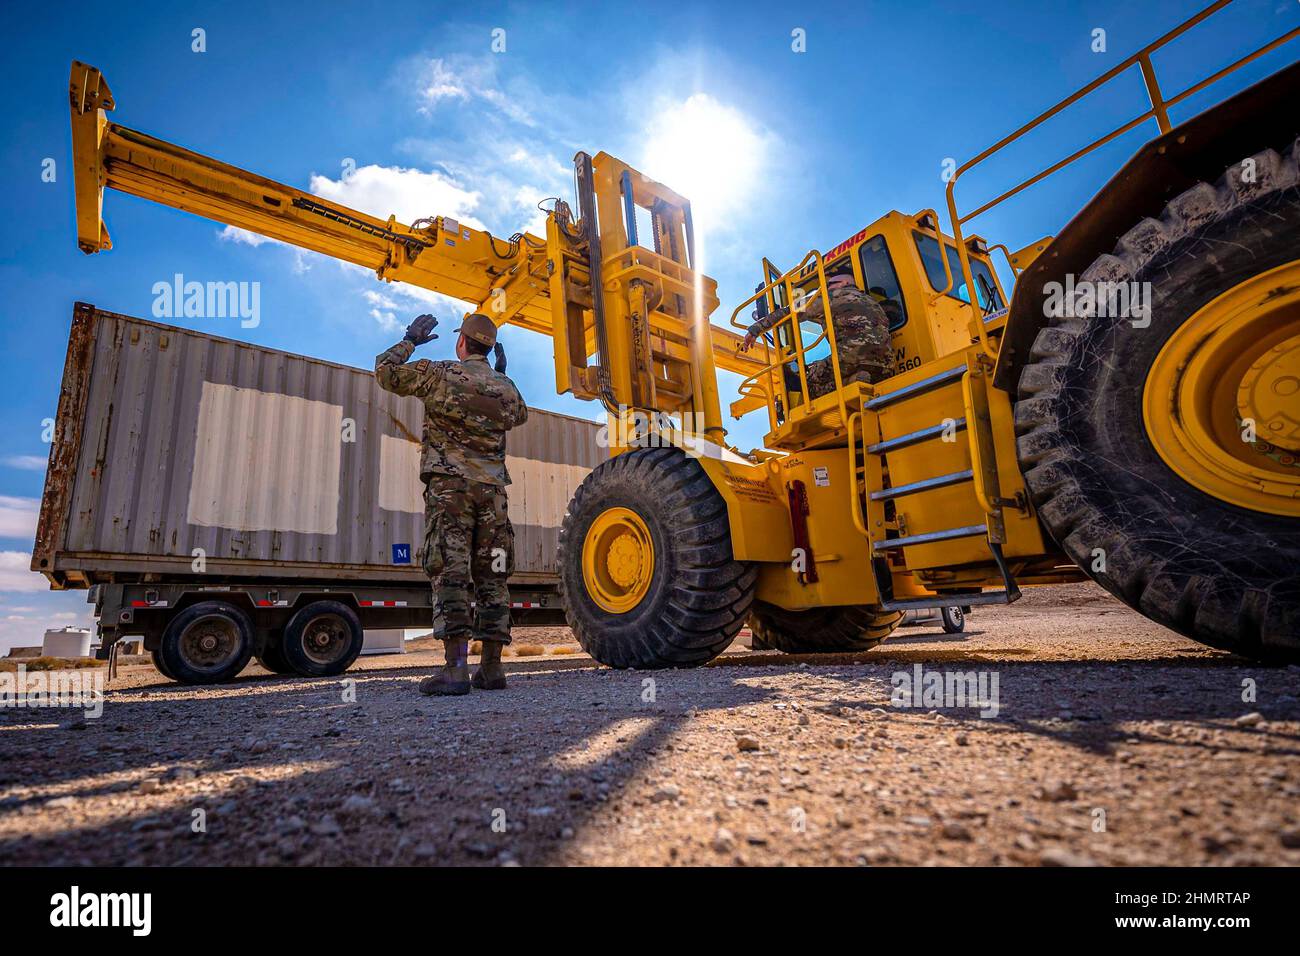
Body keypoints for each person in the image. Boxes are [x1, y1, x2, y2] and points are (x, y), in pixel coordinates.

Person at [375, 312, 528, 696]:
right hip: (493, 493)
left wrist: (410, 339)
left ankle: (456, 669)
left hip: (451, 491)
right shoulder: (505, 387)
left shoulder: (440, 373)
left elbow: (386, 372)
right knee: (494, 577)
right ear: (490, 348)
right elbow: (519, 415)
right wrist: (502, 375)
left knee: (451, 571)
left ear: (462, 343)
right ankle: (492, 668)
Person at [740, 274, 892, 398]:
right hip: (886, 366)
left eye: (828, 285)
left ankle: (853, 381)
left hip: (851, 359)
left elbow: (790, 312)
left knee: (807, 384)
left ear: (844, 283)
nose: (825, 288)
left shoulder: (831, 297)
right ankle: (857, 378)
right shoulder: (874, 303)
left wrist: (756, 329)